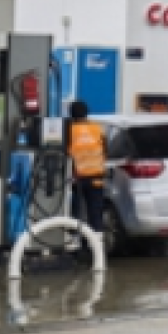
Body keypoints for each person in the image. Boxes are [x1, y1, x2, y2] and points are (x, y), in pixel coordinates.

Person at [66, 100, 109, 240]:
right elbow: (105, 149)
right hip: (96, 177)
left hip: (77, 178)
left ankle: (74, 242)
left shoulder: (69, 130)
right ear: (86, 113)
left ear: (71, 114)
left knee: (76, 213)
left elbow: (64, 153)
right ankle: (96, 246)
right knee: (95, 214)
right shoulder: (97, 129)